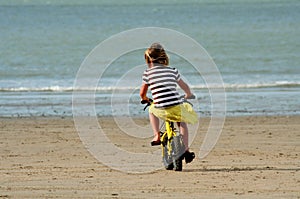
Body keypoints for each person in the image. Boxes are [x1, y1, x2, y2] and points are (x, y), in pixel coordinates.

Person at [140, 43, 198, 164]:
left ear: (148, 60)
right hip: (175, 106)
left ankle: (157, 135)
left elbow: (142, 93)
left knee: (151, 110)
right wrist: (188, 94)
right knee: (182, 123)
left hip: (160, 107)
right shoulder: (173, 71)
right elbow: (184, 86)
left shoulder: (147, 73)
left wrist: (145, 98)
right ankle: (186, 149)